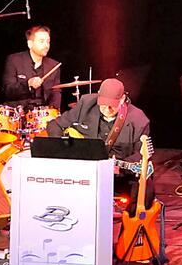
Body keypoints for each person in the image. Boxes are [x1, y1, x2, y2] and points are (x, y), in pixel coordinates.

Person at [45, 78, 155, 210]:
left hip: (119, 175)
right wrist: (64, 150)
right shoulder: (86, 104)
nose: (107, 109)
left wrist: (120, 168)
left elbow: (140, 156)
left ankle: (130, 227)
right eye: (103, 104)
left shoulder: (138, 119)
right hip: (85, 172)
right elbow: (55, 125)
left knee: (145, 187)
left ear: (122, 99)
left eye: (112, 105)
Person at [3, 25, 61, 108]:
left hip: (43, 115)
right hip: (19, 113)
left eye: (48, 41)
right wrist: (28, 84)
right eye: (41, 41)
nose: (46, 45)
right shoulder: (14, 60)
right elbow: (7, 91)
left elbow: (56, 93)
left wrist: (54, 114)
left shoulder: (53, 65)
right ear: (30, 44)